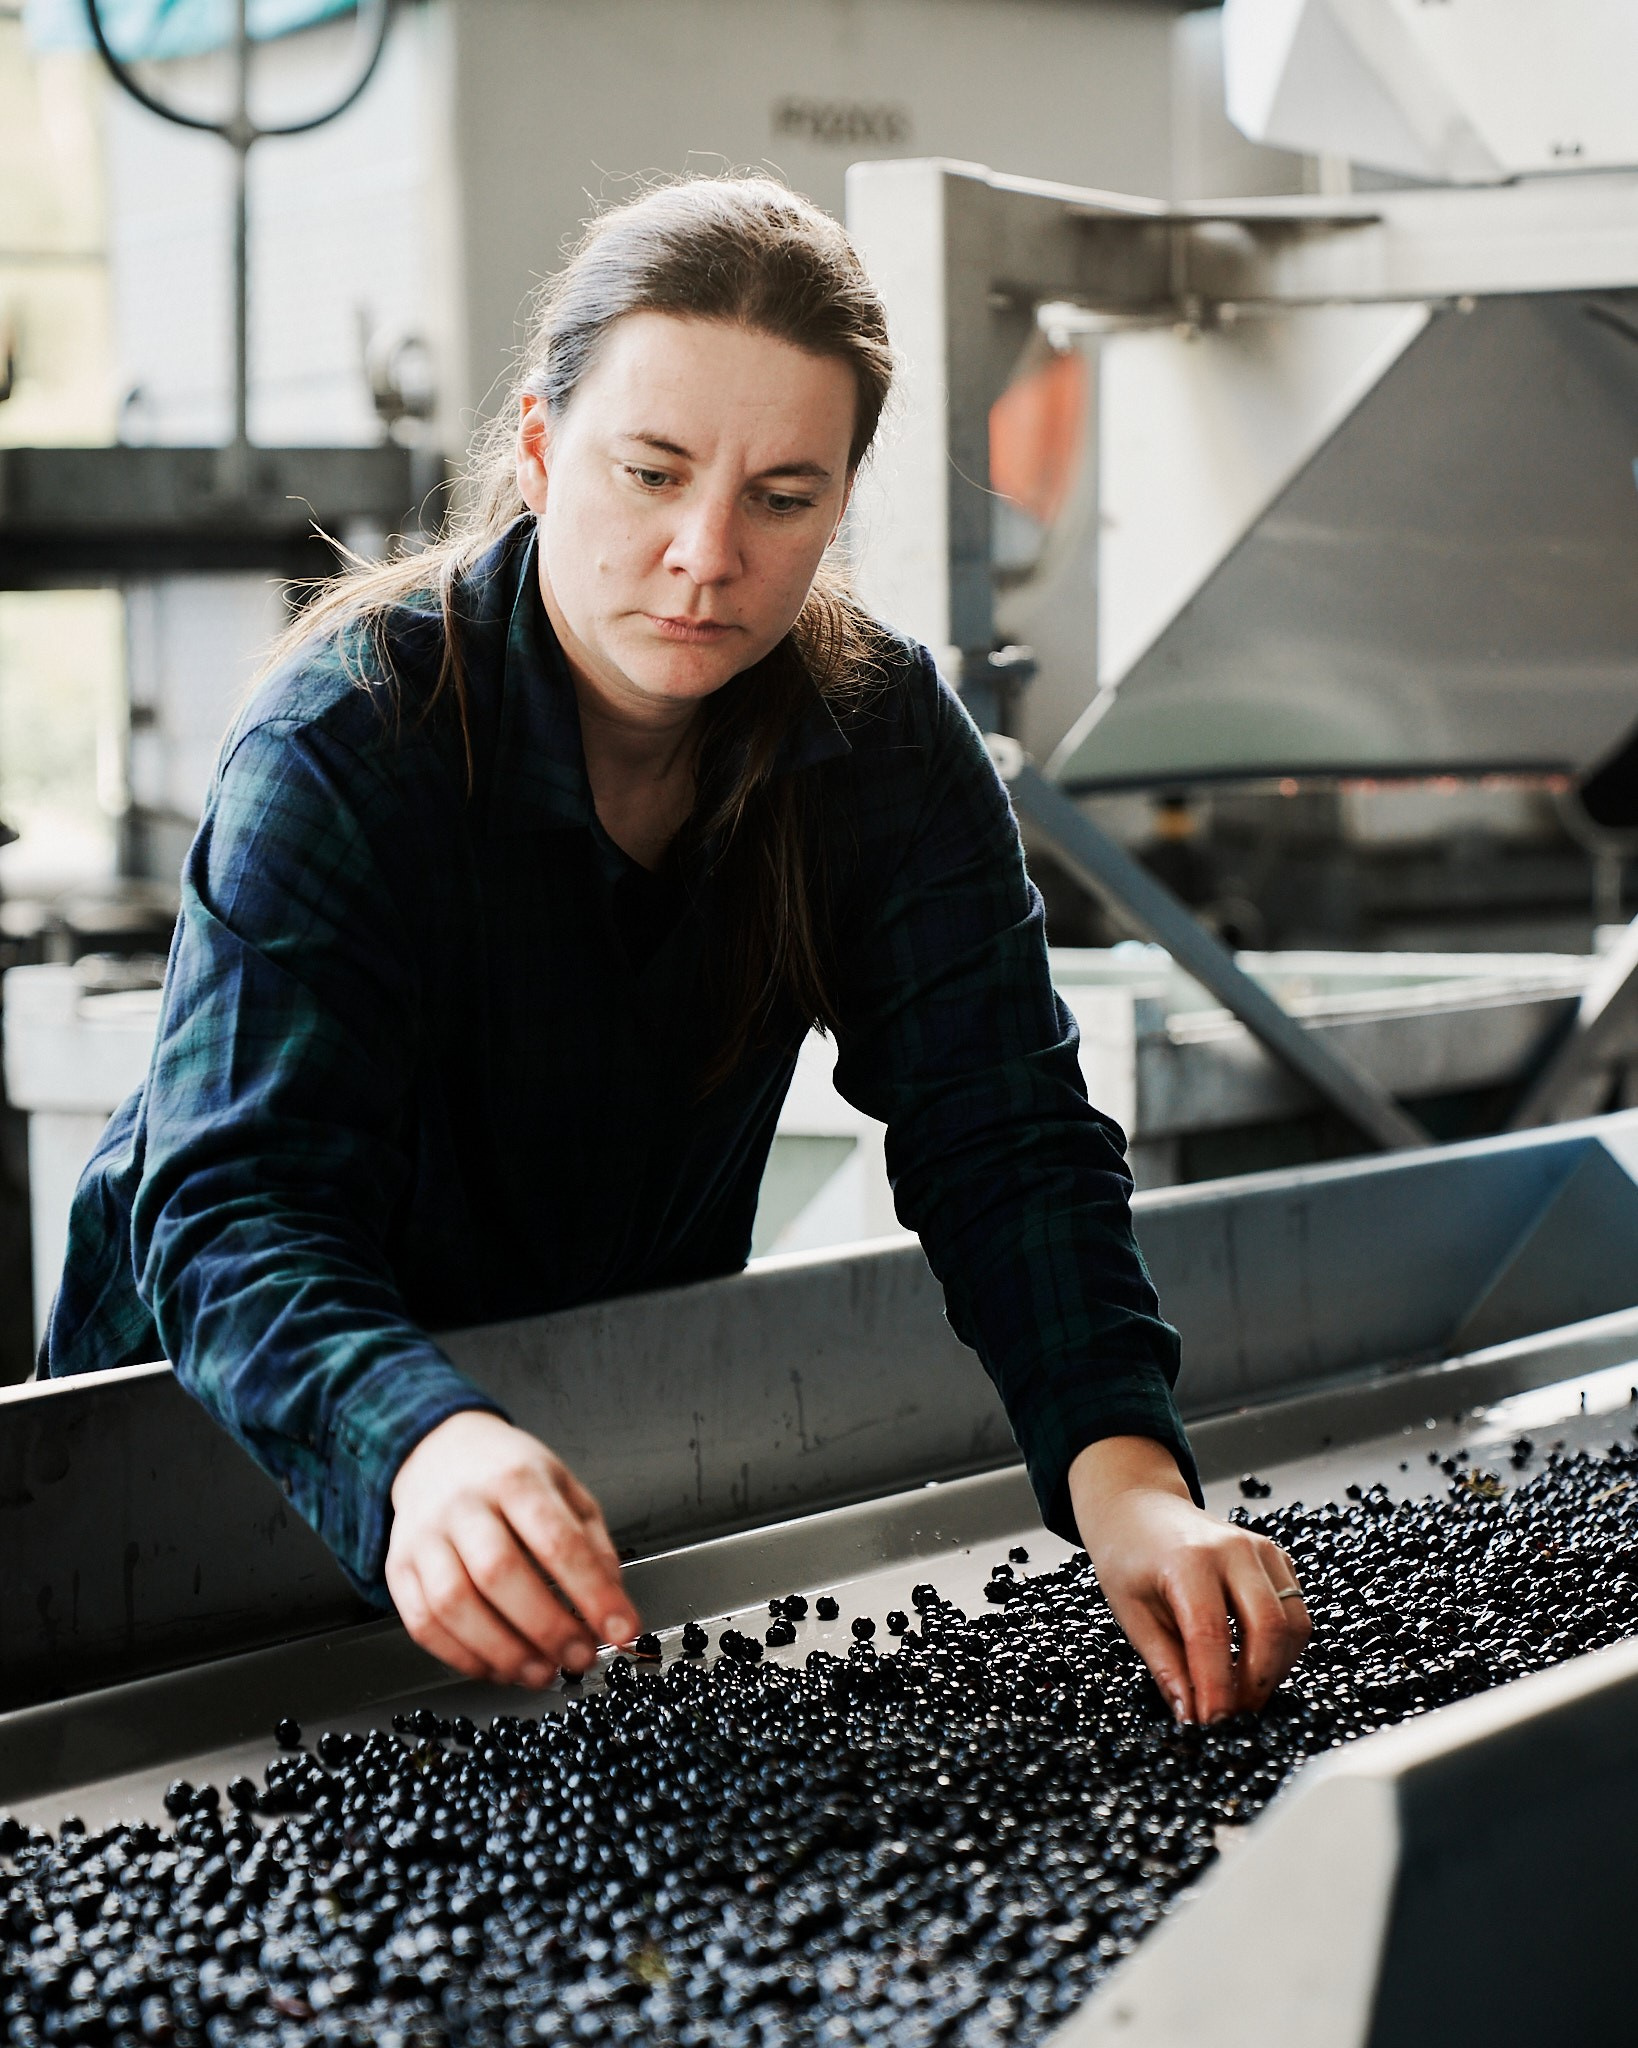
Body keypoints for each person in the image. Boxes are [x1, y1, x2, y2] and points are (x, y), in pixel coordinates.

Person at [46, 177, 1309, 1725]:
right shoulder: (350, 739)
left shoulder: (877, 736)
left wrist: (1132, 1489)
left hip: (571, 1451)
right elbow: (235, 1203)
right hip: (211, 1453)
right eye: (649, 473)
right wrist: (420, 1444)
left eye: (783, 496)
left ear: (840, 502)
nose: (705, 556)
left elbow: (1008, 1139)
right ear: (535, 446)